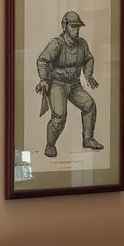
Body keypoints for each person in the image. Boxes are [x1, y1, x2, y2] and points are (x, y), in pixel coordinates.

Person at [36, 10, 103, 158]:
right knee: (59, 117)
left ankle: (88, 139)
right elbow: (42, 60)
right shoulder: (56, 44)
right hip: (57, 84)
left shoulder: (82, 44)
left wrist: (88, 73)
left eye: (78, 27)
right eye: (73, 26)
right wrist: (44, 79)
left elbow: (89, 59)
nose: (76, 30)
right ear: (64, 26)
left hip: (74, 85)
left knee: (89, 105)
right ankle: (50, 145)